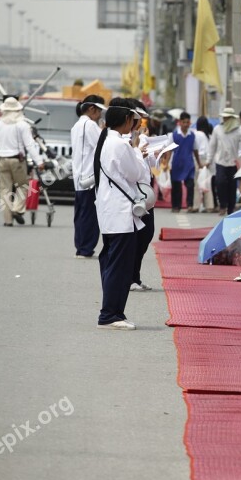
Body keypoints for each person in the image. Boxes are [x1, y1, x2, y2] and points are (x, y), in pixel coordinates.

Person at [93, 100, 149, 330]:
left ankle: (113, 312)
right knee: (119, 266)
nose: (134, 125)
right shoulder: (120, 144)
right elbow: (136, 173)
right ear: (126, 121)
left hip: (111, 212)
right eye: (132, 120)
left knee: (112, 263)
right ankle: (110, 315)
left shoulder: (107, 140)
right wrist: (137, 151)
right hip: (120, 214)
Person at [0, 97, 45, 227]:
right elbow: (30, 145)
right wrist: (39, 161)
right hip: (17, 160)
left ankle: (8, 220)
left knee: (4, 190)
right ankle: (17, 209)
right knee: (22, 185)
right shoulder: (22, 125)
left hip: (1, 160)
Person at [70, 95, 106, 256]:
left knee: (81, 213)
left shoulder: (77, 125)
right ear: (92, 109)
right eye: (99, 111)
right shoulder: (89, 125)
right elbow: (101, 146)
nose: (100, 115)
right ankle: (85, 247)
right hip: (88, 177)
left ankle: (82, 246)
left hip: (80, 175)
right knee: (88, 215)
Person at [128, 100, 156, 292]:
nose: (141, 122)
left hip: (146, 193)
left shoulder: (142, 136)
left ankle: (135, 277)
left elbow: (150, 163)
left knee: (146, 234)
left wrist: (155, 151)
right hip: (134, 193)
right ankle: (130, 278)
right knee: (135, 238)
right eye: (138, 118)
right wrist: (137, 149)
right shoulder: (123, 140)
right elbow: (131, 168)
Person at [207, 108, 241, 216]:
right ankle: (222, 205)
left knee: (232, 186)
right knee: (220, 182)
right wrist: (209, 160)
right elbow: (212, 146)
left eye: (227, 117)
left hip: (233, 163)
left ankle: (230, 209)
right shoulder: (217, 129)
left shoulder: (238, 131)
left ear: (232, 118)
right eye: (224, 117)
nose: (225, 119)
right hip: (220, 162)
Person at [169, 112, 200, 213]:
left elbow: (195, 150)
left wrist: (199, 163)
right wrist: (166, 163)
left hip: (189, 164)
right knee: (176, 186)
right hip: (177, 163)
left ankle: (189, 205)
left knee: (190, 185)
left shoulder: (192, 136)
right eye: (184, 122)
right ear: (180, 122)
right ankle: (176, 206)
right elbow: (169, 150)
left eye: (188, 122)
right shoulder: (173, 135)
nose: (186, 124)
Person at [192, 116, 214, 213]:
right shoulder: (206, 136)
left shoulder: (196, 134)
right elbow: (208, 149)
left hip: (197, 159)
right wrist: (208, 162)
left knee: (196, 184)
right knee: (206, 183)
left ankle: (196, 205)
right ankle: (209, 205)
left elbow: (194, 148)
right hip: (205, 160)